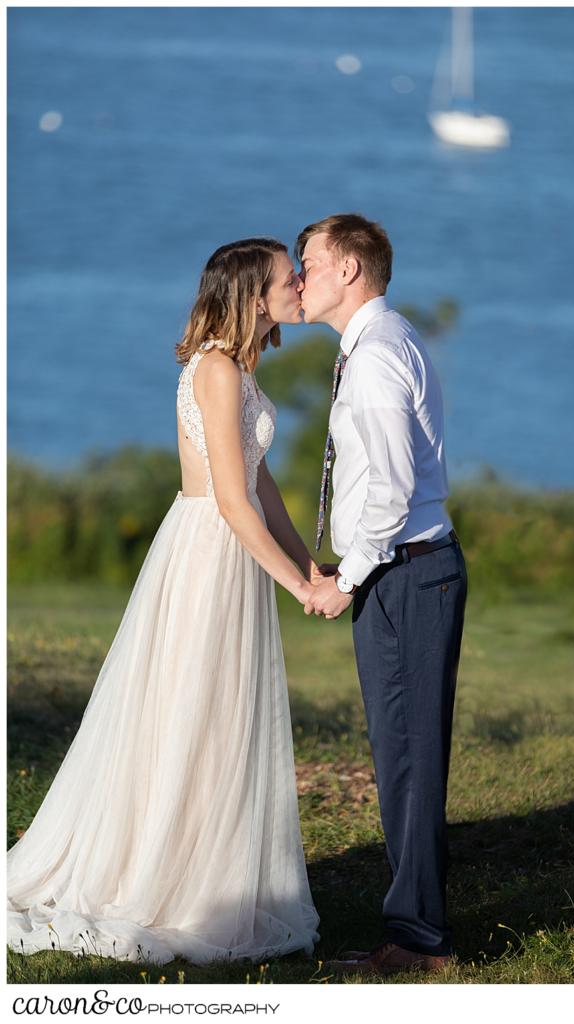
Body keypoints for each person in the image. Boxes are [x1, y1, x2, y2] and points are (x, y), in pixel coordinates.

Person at [7, 238, 321, 967]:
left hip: (225, 547)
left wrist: (309, 557)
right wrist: (299, 586)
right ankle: (166, 879)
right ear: (251, 294)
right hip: (210, 552)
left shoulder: (238, 368)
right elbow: (234, 502)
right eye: (286, 278)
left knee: (215, 715)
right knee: (190, 711)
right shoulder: (215, 370)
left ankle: (206, 866)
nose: (298, 286)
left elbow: (260, 481)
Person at [296, 213, 467, 977]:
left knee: (406, 758)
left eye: (308, 264)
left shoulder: (373, 357)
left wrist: (348, 580)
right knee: (399, 754)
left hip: (407, 571)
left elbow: (392, 490)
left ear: (348, 271)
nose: (297, 279)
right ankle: (416, 929)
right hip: (404, 568)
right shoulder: (381, 342)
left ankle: (419, 942)